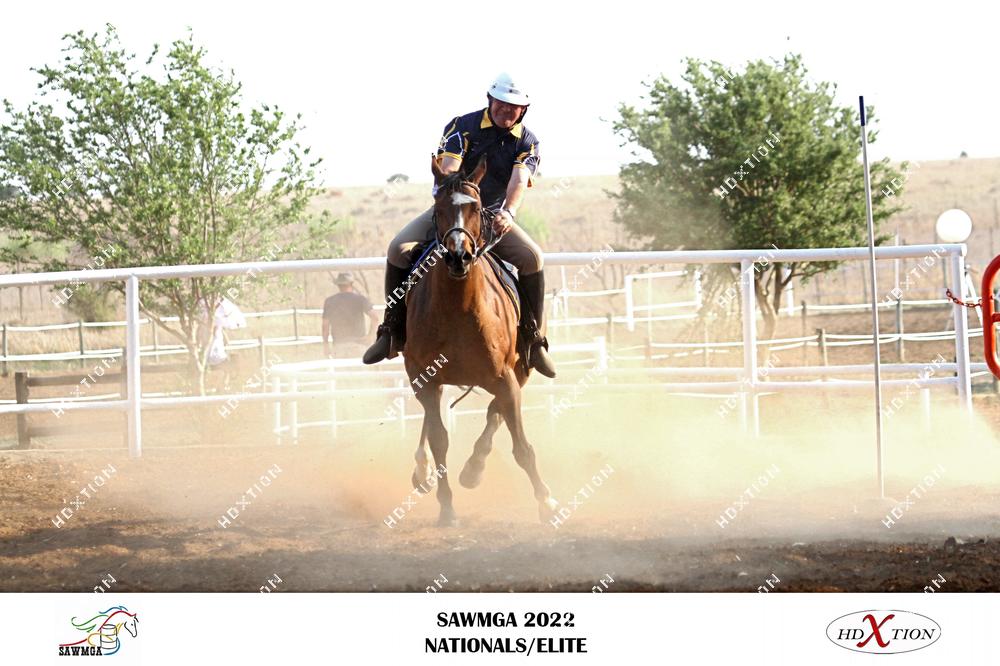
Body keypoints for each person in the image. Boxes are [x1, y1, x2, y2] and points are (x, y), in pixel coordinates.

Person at [362, 72, 556, 377]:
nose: (506, 110)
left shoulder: (527, 141)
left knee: (533, 258)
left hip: (491, 217)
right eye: (501, 103)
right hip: (451, 211)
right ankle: (391, 331)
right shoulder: (462, 126)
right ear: (490, 100)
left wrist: (509, 212)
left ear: (523, 110)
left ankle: (534, 341)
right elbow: (450, 165)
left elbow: (519, 179)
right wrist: (453, 192)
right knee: (397, 249)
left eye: (514, 106)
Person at [322, 272, 379, 358]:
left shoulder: (330, 301)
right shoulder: (360, 299)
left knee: (341, 366)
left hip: (339, 345)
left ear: (338, 285)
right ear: (351, 284)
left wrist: (326, 346)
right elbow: (375, 318)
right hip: (359, 344)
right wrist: (370, 336)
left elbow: (325, 326)